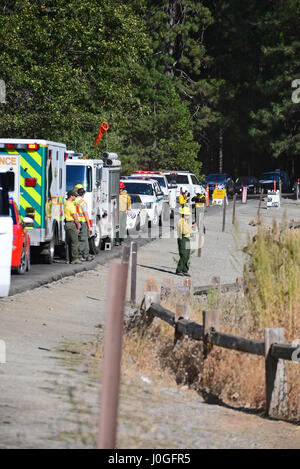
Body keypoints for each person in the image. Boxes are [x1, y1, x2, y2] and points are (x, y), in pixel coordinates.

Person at [74, 185, 94, 262]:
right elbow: (85, 214)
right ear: (83, 194)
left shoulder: (74, 201)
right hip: (82, 222)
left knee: (78, 239)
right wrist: (89, 224)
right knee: (83, 239)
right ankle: (82, 255)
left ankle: (82, 254)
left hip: (75, 222)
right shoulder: (82, 202)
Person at [64, 190, 82, 264]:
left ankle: (68, 259)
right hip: (71, 224)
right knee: (74, 242)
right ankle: (75, 258)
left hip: (67, 224)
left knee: (68, 242)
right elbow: (74, 216)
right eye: (74, 196)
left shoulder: (65, 203)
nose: (75, 197)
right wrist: (78, 224)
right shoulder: (71, 205)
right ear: (71, 196)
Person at [176, 206, 194, 277]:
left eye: (188, 215)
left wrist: (190, 229)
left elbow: (186, 231)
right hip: (182, 239)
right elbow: (184, 231)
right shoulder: (181, 222)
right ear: (183, 215)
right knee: (183, 254)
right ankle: (179, 270)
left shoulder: (184, 222)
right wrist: (190, 227)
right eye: (187, 215)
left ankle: (185, 269)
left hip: (186, 238)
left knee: (187, 255)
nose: (188, 216)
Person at [117, 181, 131, 245]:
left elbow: (129, 202)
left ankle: (121, 240)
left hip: (124, 212)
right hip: (117, 213)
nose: (120, 190)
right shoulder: (116, 195)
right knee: (117, 227)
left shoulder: (126, 195)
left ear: (122, 189)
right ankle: (117, 240)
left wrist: (128, 209)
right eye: (119, 189)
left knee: (123, 226)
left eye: (121, 188)